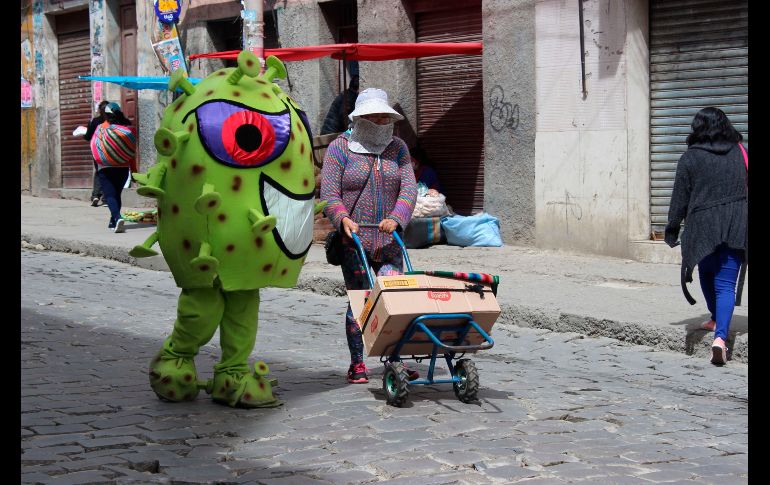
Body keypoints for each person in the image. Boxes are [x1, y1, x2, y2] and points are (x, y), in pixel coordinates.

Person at [320, 87, 419, 383]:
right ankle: (357, 363)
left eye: (383, 117)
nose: (379, 121)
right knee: (361, 300)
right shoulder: (339, 149)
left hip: (389, 242)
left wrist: (396, 217)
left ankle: (396, 361)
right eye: (373, 117)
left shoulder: (398, 148)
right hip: (355, 243)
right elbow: (329, 193)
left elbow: (409, 188)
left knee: (393, 298)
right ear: (360, 119)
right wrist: (343, 219)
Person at [664, 107, 747, 366]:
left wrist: (672, 229)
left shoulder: (690, 158)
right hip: (736, 223)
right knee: (725, 284)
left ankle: (717, 327)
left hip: (702, 227)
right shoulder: (740, 152)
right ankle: (719, 335)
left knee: (706, 273)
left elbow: (680, 198)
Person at [90, 102, 135, 233]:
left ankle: (117, 217)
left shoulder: (100, 128)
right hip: (123, 168)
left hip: (106, 168)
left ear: (106, 114)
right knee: (117, 195)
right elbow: (131, 152)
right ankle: (113, 221)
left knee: (109, 195)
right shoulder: (126, 130)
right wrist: (134, 171)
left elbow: (94, 146)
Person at [82, 100, 109, 206]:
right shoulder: (113, 121)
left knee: (99, 172)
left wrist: (85, 133)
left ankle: (95, 196)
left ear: (99, 110)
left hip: (97, 150)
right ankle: (106, 198)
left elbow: (88, 136)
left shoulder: (94, 121)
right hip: (110, 150)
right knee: (109, 173)